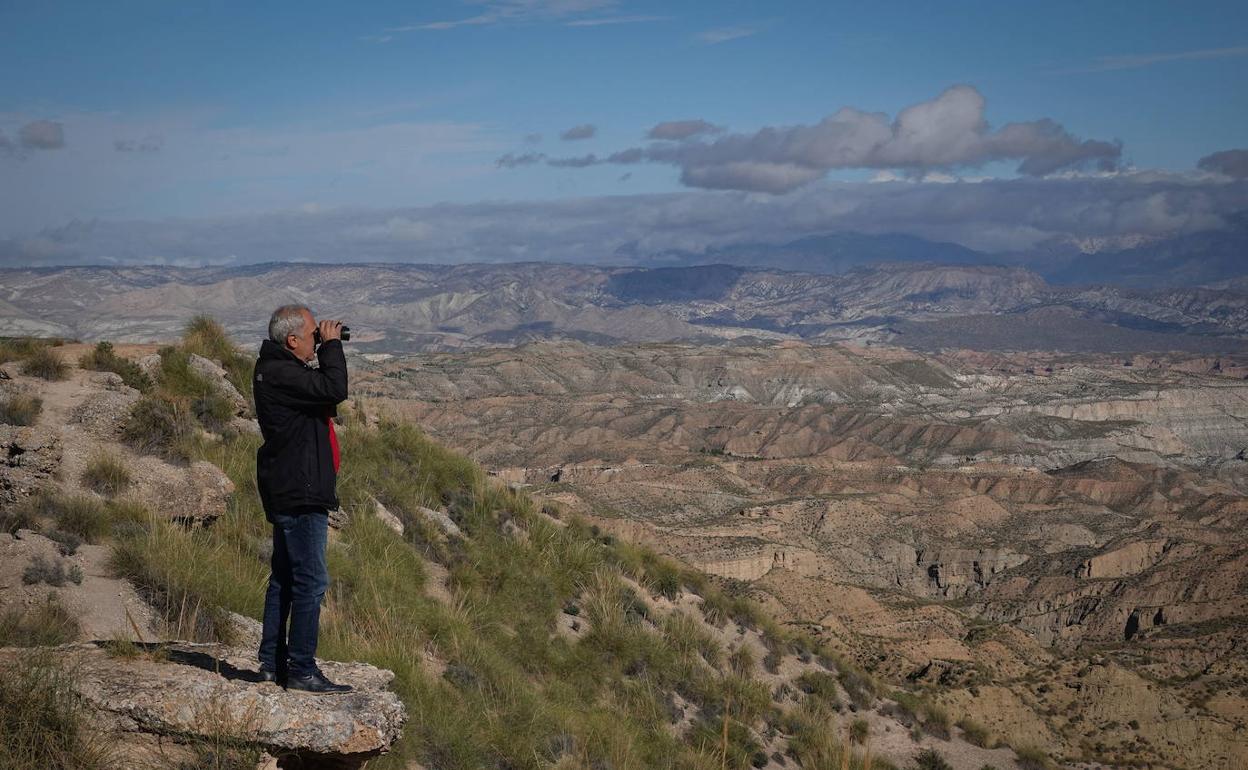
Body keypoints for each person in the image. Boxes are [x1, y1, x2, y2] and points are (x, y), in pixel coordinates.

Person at [253, 304, 352, 693]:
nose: (318, 339)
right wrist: (332, 347)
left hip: (290, 486)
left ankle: (271, 665)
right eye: (313, 335)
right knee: (311, 581)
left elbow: (322, 398)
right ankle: (301, 669)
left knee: (285, 578)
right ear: (292, 340)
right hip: (300, 491)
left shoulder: (278, 370)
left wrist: (323, 348)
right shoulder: (281, 372)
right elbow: (334, 390)